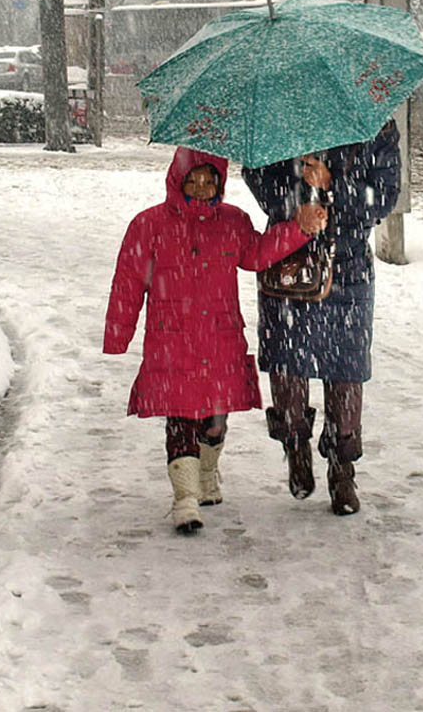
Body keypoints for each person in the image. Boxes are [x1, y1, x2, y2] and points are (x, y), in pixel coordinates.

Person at [103, 147, 326, 534]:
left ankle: (207, 474)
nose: (202, 188)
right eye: (194, 180)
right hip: (171, 342)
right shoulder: (149, 225)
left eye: (210, 181)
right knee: (180, 422)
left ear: (220, 183)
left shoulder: (232, 221)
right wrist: (118, 333)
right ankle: (185, 498)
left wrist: (300, 229)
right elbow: (128, 283)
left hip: (219, 340)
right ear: (178, 181)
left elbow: (256, 255)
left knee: (213, 423)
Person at [242, 119, 401, 515]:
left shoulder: (375, 125)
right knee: (286, 362)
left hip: (347, 265)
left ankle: (342, 469)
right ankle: (296, 446)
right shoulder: (275, 123)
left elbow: (382, 197)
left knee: (346, 369)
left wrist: (332, 183)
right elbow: (260, 183)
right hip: (289, 259)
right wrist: (299, 198)